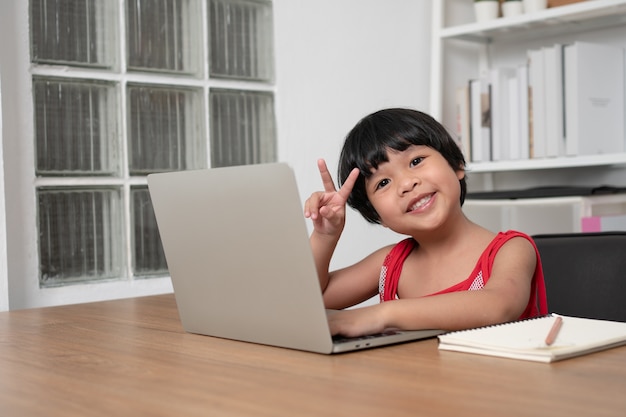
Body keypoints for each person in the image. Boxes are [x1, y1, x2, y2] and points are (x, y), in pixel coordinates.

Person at [304, 108, 547, 337]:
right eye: (383, 183)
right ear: (378, 216)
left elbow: (499, 305)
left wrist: (381, 314)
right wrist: (325, 237)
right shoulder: (391, 263)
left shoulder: (511, 249)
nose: (407, 183)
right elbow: (306, 301)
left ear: (457, 165)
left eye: (416, 161)